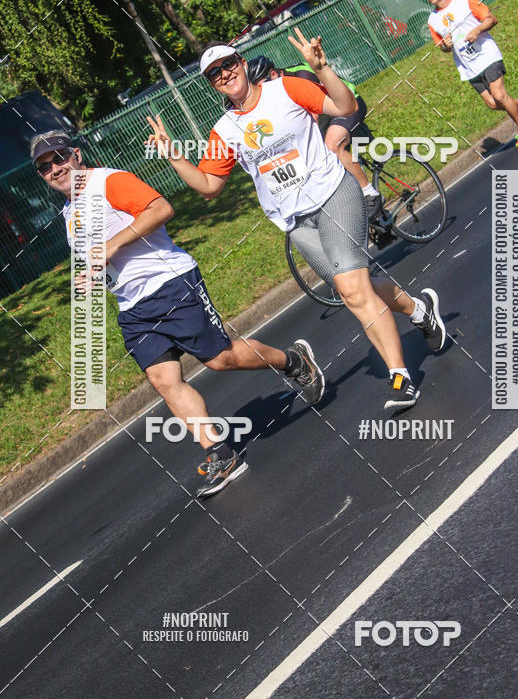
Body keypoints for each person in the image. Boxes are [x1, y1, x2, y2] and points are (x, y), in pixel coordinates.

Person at [146, 29, 447, 412]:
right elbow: (208, 187)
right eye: (214, 74)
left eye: (228, 65)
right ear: (212, 85)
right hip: (296, 222)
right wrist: (175, 157)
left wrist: (323, 69)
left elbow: (343, 105)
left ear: (242, 63)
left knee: (353, 289)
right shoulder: (224, 131)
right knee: (356, 287)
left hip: (333, 194)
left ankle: (401, 379)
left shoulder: (284, 90)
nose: (224, 74)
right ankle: (422, 313)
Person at [31, 130, 324, 497]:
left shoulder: (109, 182)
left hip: (170, 284)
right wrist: (91, 276)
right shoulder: (69, 211)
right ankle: (221, 454)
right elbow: (98, 257)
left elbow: (161, 209)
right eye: (45, 168)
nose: (55, 169)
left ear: (75, 154)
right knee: (163, 381)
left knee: (220, 359)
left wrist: (111, 246)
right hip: (132, 307)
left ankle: (294, 362)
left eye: (58, 159)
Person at [246, 55, 383, 218]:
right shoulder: (276, 91)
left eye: (263, 86)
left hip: (349, 105)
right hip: (329, 115)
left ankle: (370, 194)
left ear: (274, 74)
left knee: (332, 146)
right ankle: (378, 218)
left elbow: (312, 117)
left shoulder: (301, 76)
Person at [417, 0, 518, 147]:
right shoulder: (432, 20)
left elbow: (492, 18)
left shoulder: (464, 1)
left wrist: (477, 29)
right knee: (492, 103)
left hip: (487, 54)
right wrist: (445, 46)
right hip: (468, 67)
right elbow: (442, 47)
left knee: (499, 94)